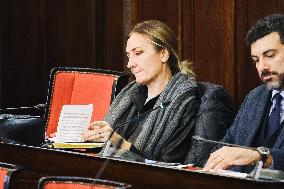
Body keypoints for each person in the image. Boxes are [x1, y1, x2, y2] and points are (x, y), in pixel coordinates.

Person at [83, 20, 200, 163]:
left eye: (138, 53)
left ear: (163, 54)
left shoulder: (183, 100)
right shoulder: (129, 94)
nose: (130, 64)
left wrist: (117, 141)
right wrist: (89, 138)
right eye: (129, 56)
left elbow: (167, 165)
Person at [204, 14, 284, 172]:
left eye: (270, 55)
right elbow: (228, 144)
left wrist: (261, 156)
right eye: (256, 60)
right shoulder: (254, 97)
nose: (262, 67)